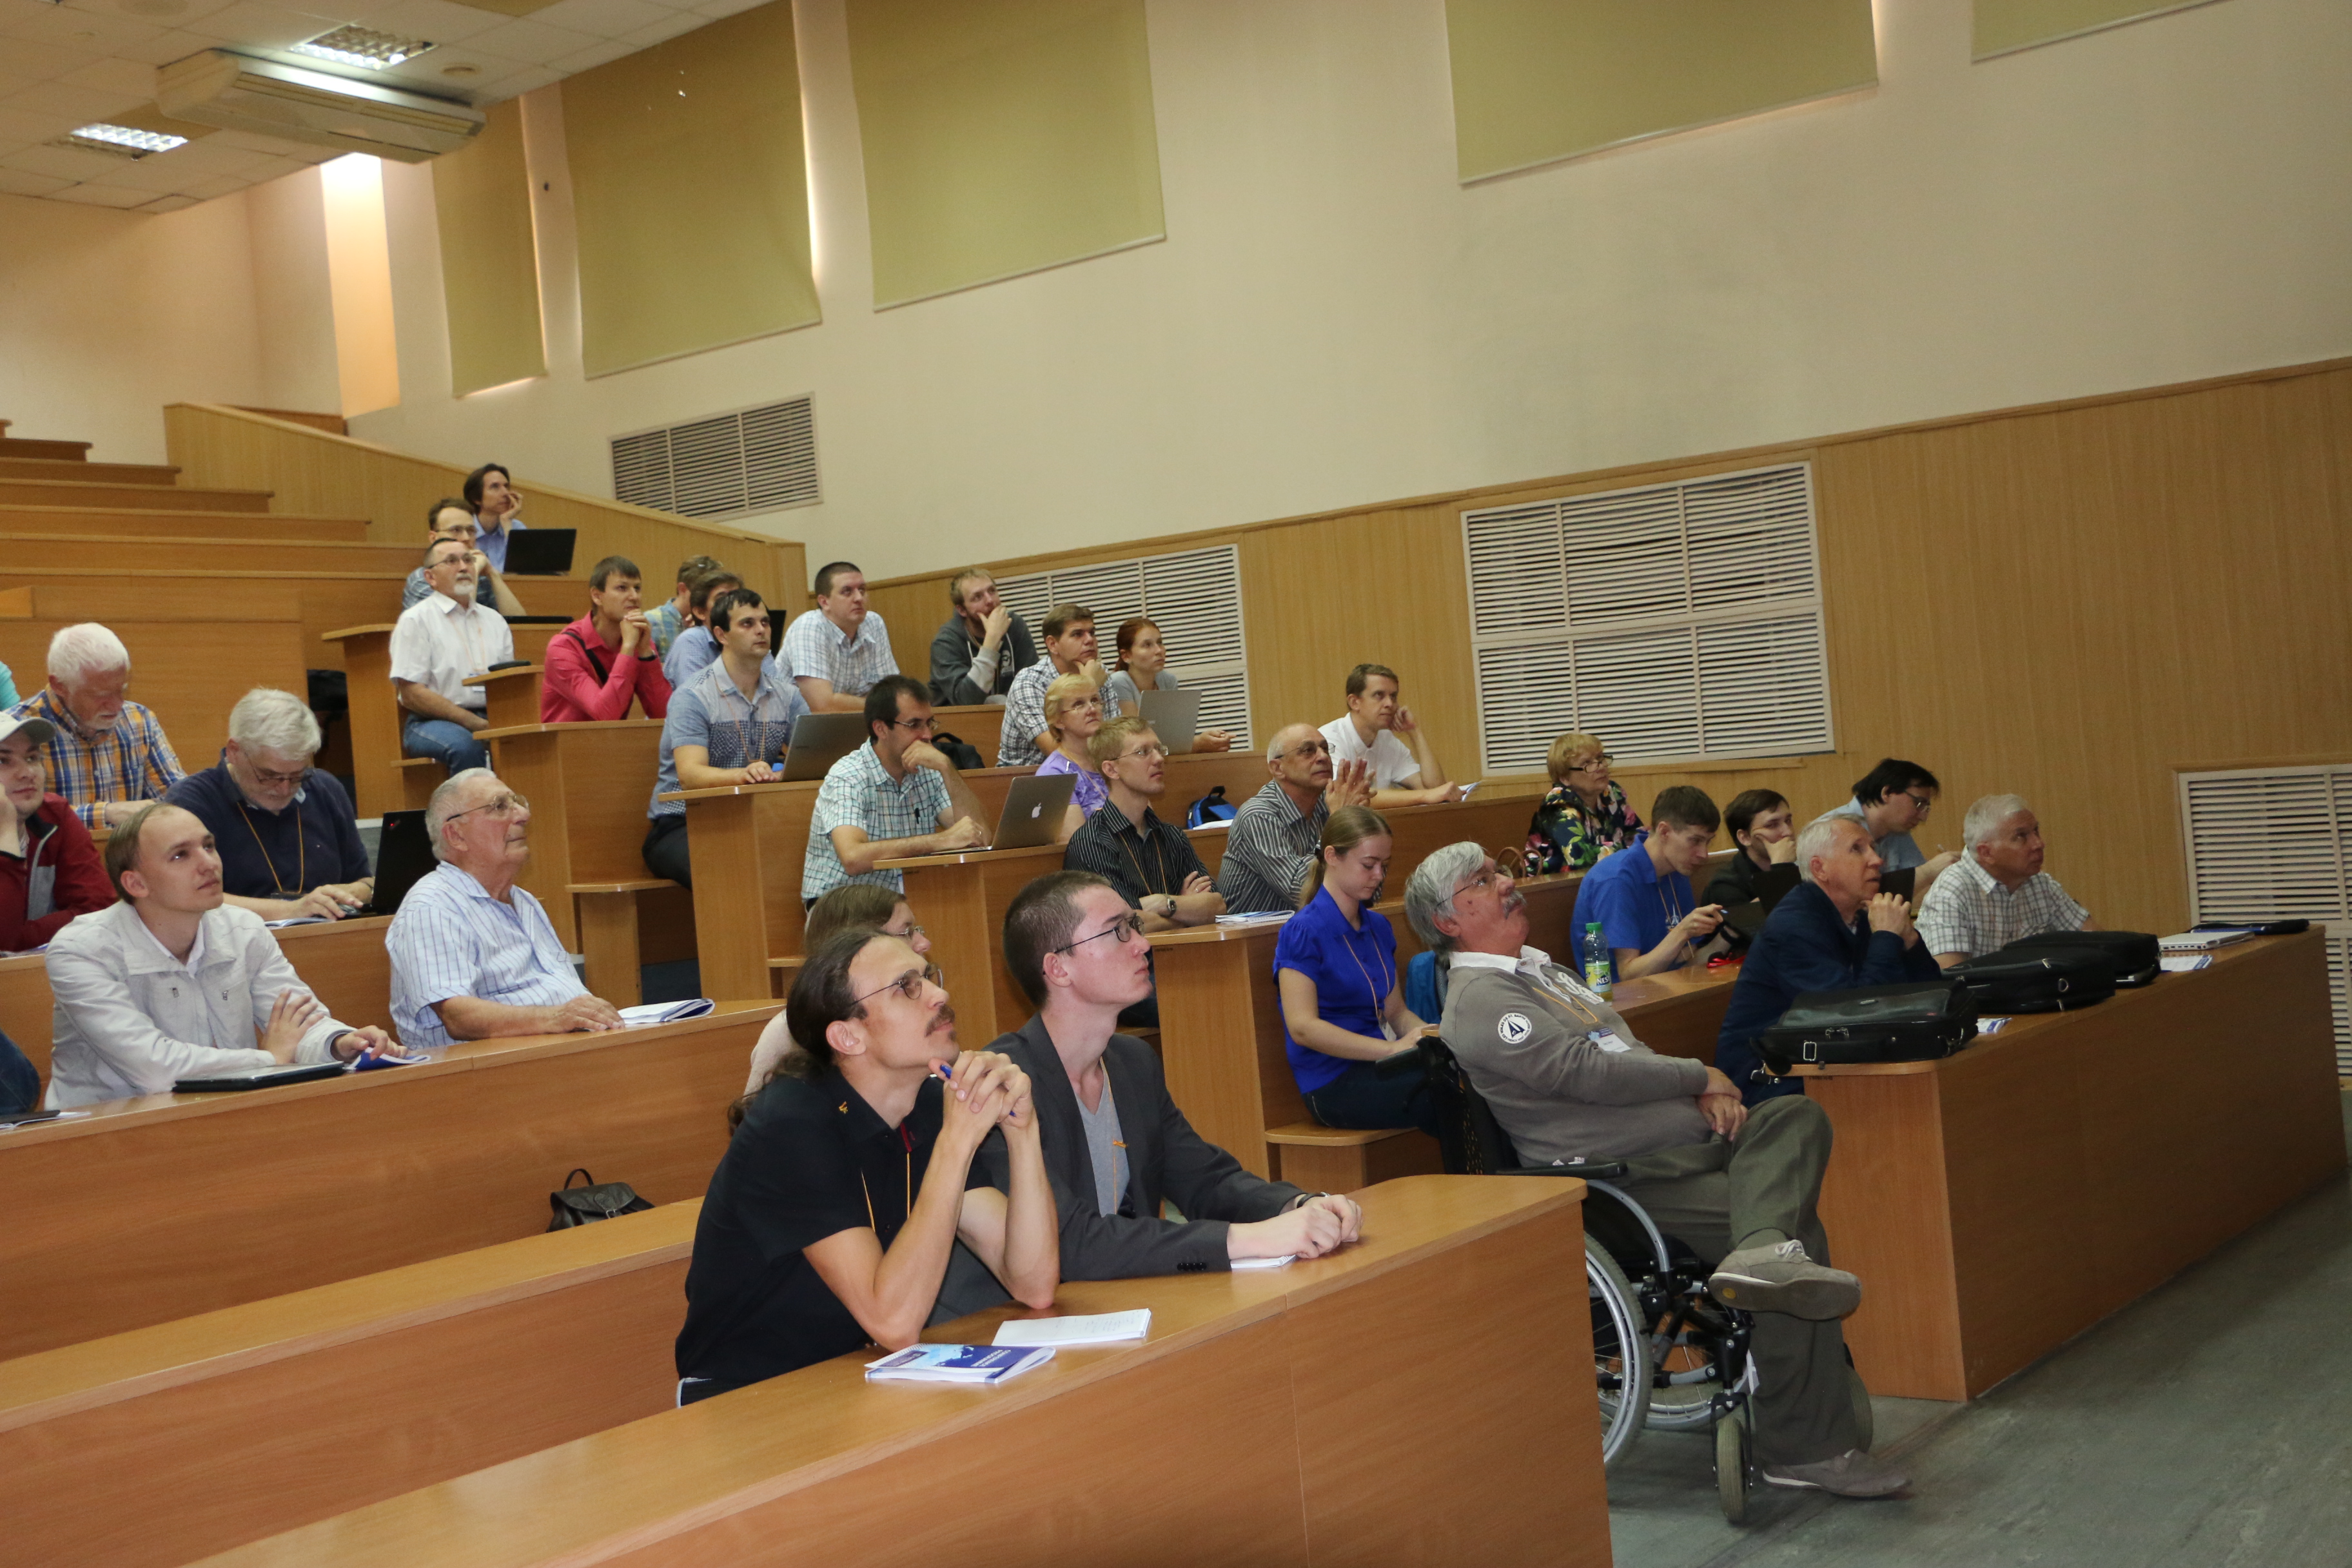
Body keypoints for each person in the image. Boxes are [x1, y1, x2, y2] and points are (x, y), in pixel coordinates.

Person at [1402, 840, 1906, 1501]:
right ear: (1448, 920)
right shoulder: (1482, 999)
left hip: (1686, 1145)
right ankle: (1805, 1445)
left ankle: (1762, 1255)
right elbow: (1585, 1072)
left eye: (1499, 871)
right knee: (1795, 1237)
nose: (1506, 883)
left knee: (1795, 1115)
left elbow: (1626, 1049)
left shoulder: (1540, 970)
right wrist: (1699, 1075)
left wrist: (1698, 1095)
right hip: (1623, 1179)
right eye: (1484, 880)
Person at [673, 928, 1058, 1404]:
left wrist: (1023, 1131)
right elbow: (894, 1322)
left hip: (857, 1373)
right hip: (744, 1398)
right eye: (906, 986)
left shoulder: (927, 1105)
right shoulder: (790, 1124)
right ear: (848, 1036)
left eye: (928, 977)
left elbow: (1034, 1283)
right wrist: (957, 1143)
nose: (939, 995)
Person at [971, 870, 1362, 1281]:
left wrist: (1299, 1206)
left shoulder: (1133, 1062)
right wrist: (1250, 1239)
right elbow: (1070, 1244)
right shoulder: (1003, 1084)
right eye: (1117, 931)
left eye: (1135, 925)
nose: (1142, 944)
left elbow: (1206, 1181)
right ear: (1058, 969)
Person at [44, 803, 397, 1107]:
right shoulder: (82, 950)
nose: (208, 863)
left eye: (209, 846)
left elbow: (298, 1021)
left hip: (225, 1112)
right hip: (105, 1132)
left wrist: (341, 1043)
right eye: (181, 855)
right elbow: (154, 1070)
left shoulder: (243, 928)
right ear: (136, 884)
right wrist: (269, 1058)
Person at [386, 768, 624, 1050]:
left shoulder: (524, 900)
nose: (523, 815)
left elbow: (563, 995)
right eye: (499, 807)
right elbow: (458, 1017)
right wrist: (555, 1018)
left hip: (556, 1050)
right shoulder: (432, 906)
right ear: (456, 835)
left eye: (517, 803)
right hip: (484, 1068)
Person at [1714, 816, 1944, 1104]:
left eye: (1873, 848)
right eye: (1857, 849)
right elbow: (1857, 1016)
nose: (1877, 860)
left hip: (1829, 1063)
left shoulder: (1862, 916)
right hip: (1771, 1080)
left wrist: (1909, 942)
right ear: (1820, 868)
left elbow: (1931, 999)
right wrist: (1886, 938)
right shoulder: (1793, 927)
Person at [1275, 806, 1439, 1134]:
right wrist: (1392, 1049)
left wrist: (1433, 1036)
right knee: (1439, 1094)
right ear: (1332, 857)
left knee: (1467, 1074)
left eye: (1384, 866)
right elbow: (1302, 1028)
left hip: (1378, 1064)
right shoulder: (1303, 931)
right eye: (1369, 865)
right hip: (1331, 1082)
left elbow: (1397, 1013)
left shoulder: (1378, 925)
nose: (1379, 875)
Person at [162, 687, 372, 921]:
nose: (284, 789)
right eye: (269, 776)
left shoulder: (326, 788)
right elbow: (187, 896)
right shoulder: (191, 801)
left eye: (297, 776)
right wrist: (293, 910)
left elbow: (365, 880)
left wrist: (354, 893)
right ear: (234, 752)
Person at [644, 589, 807, 888]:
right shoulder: (693, 695)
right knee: (732, 867)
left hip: (755, 816)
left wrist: (781, 775)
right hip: (684, 823)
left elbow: (813, 760)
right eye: (747, 623)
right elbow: (690, 775)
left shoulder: (788, 695)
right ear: (721, 635)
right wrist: (743, 776)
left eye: (765, 622)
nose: (761, 630)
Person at [801, 676, 992, 905]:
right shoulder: (848, 775)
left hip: (904, 902)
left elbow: (980, 837)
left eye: (929, 723)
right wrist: (941, 840)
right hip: (842, 904)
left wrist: (947, 768)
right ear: (881, 729)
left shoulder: (929, 770)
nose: (927, 736)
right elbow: (853, 858)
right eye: (914, 725)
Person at [741, 885, 931, 1101]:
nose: (924, 943)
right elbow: (757, 1112)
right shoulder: (786, 1031)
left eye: (918, 930)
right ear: (857, 945)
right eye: (907, 932)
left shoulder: (921, 1004)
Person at [6, 622, 184, 829]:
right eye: (101, 695)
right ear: (59, 686)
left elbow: (179, 802)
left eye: (122, 690)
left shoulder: (138, 720)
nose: (117, 705)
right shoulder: (15, 730)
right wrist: (105, 814)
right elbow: (12, 815)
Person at [1061, 716, 1224, 932]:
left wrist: (1164, 903)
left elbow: (1218, 907)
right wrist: (1187, 911)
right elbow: (1125, 924)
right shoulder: (1091, 843)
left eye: (1158, 749)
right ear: (1112, 769)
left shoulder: (1173, 836)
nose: (1158, 759)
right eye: (1143, 752)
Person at [1571, 785, 1730, 982]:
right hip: (1619, 997)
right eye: (1695, 841)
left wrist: (1730, 934)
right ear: (1664, 832)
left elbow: (1687, 961)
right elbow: (1629, 975)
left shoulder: (1677, 870)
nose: (1704, 854)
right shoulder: (1616, 880)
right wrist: (1683, 931)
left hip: (1668, 986)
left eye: (1708, 842)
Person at [1917, 794, 2095, 966]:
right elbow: (1950, 975)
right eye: (2021, 836)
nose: (2039, 844)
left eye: (2036, 831)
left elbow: (2095, 943)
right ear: (1987, 853)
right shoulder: (1951, 892)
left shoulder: (2040, 883)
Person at [389, 537, 514, 778]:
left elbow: (508, 681)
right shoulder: (416, 620)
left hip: (492, 715)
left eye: (468, 560)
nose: (464, 567)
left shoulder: (495, 620)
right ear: (430, 577)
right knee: (466, 746)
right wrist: (474, 723)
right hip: (432, 721)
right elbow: (412, 693)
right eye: (452, 561)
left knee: (526, 740)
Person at [1214, 724, 1373, 914]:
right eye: (1308, 751)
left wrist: (1357, 823)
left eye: (1325, 749)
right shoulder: (1258, 815)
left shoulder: (1329, 803)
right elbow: (1300, 891)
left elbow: (1369, 887)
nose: (1323, 757)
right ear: (1278, 768)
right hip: (1255, 930)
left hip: (1310, 923)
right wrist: (1339, 821)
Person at [1, 712, 110, 953]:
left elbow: (98, 910)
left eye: (32, 758)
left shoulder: (55, 816)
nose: (28, 772)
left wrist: (20, 937)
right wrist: (5, 833)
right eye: (3, 761)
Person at [542, 555, 672, 723]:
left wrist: (646, 652)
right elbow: (605, 715)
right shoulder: (563, 647)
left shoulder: (637, 641)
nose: (634, 596)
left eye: (637, 588)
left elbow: (664, 715)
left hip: (612, 739)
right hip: (568, 739)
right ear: (597, 596)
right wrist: (628, 649)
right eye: (622, 588)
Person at [1812, 758, 1961, 896]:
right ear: (1887, 793)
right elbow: (1853, 896)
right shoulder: (1831, 829)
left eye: (1926, 808)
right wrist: (1928, 872)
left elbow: (1920, 890)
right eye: (1919, 804)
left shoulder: (1897, 831)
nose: (1923, 817)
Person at [1318, 664, 1459, 808]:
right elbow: (1351, 797)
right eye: (1379, 695)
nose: (1390, 704)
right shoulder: (1327, 740)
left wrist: (1415, 732)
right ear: (1354, 702)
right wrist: (1426, 796)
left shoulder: (1387, 740)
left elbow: (1436, 788)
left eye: (1393, 696)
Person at [997, 603, 1111, 769]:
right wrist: (1089, 685)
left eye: (1092, 633)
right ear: (1052, 644)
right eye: (1077, 634)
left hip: (1091, 770)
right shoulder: (1029, 682)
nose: (1090, 640)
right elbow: (1056, 751)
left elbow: (1114, 740)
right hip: (1031, 776)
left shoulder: (1100, 672)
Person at [781, 560, 897, 714]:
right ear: (824, 602)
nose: (859, 598)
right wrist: (878, 705)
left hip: (854, 722)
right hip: (792, 725)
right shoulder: (809, 626)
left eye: (862, 590)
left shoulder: (874, 623)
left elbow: (890, 694)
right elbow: (822, 706)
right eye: (847, 592)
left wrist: (844, 702)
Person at [1102, 618, 1235, 752]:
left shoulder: (1168, 680)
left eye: (1160, 643)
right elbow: (1138, 741)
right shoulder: (1119, 681)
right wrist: (1198, 743)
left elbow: (1174, 737)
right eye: (1147, 645)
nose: (1159, 650)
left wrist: (1208, 741)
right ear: (1126, 656)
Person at [1524, 732, 1641, 876]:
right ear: (1565, 778)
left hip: (1602, 876)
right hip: (1551, 884)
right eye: (1587, 763)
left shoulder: (1610, 793)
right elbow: (1581, 858)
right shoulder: (1558, 805)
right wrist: (1634, 850)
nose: (1600, 766)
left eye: (1600, 758)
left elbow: (1637, 835)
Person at [928, 568, 1038, 707]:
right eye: (978, 597)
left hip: (1009, 713)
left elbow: (1033, 683)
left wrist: (1000, 701)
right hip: (957, 719)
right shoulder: (945, 642)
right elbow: (966, 701)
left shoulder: (1014, 625)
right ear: (962, 610)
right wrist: (991, 643)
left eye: (992, 591)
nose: (990, 600)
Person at [402, 497, 524, 615]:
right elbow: (457, 619)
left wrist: (492, 574)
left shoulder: (482, 578)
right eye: (456, 530)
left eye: (471, 531)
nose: (466, 538)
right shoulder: (424, 579)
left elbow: (518, 623)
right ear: (434, 538)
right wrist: (473, 570)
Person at [1034, 672, 1108, 834]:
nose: (1092, 709)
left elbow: (1145, 820)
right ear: (1059, 721)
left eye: (1095, 700)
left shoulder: (1114, 758)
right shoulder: (1053, 774)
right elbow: (1078, 841)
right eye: (1079, 704)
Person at [1705, 789, 1798, 908]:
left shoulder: (1804, 867)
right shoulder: (1725, 887)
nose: (1788, 832)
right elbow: (1776, 916)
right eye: (1772, 825)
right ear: (1745, 838)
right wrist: (1781, 868)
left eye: (1788, 821)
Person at [660, 567, 744, 692]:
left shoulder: (751, 637)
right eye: (722, 600)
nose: (733, 607)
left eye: (738, 599)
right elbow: (697, 698)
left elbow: (773, 692)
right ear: (700, 612)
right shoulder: (691, 641)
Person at [646, 554, 725, 658]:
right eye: (704, 592)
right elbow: (645, 666)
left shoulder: (717, 621)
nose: (708, 598)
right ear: (683, 589)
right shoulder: (652, 621)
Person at [465, 462, 525, 571]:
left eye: (506, 486)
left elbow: (525, 569)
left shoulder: (516, 527)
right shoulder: (464, 530)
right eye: (495, 487)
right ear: (476, 499)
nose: (506, 493)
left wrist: (507, 524)